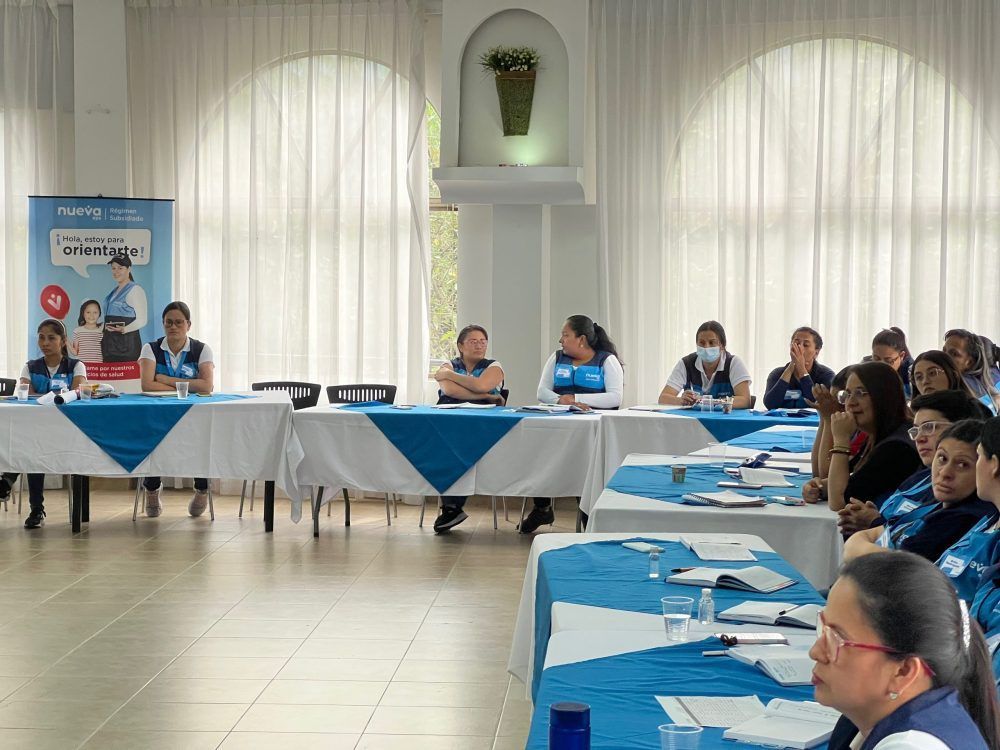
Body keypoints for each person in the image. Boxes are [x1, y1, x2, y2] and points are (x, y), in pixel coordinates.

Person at [813, 552, 1000, 750]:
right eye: (822, 629)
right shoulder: (875, 724)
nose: (815, 652)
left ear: (904, 672)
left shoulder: (910, 745)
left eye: (836, 639)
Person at [836, 391, 991, 537]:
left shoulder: (954, 491)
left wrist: (874, 523)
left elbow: (915, 546)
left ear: (960, 428)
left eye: (929, 427)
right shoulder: (920, 477)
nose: (919, 438)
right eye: (916, 430)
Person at [843, 420, 996, 563]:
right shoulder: (937, 502)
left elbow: (899, 565)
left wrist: (857, 544)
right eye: (942, 458)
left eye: (962, 465)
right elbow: (877, 533)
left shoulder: (965, 516)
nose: (945, 473)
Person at [526, 315, 623, 533]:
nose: (561, 340)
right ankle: (542, 507)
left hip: (591, 429)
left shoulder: (606, 360)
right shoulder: (557, 358)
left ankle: (589, 517)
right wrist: (561, 400)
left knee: (584, 465)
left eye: (565, 335)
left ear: (581, 339)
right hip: (557, 424)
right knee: (539, 457)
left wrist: (579, 399)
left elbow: (615, 397)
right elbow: (542, 391)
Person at [0, 319, 87, 529]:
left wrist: (46, 395)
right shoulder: (30, 366)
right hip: (37, 428)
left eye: (51, 338)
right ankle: (36, 510)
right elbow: (25, 396)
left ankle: (8, 480)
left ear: (63, 341)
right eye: (41, 337)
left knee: (32, 446)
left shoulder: (76, 365)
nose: (45, 342)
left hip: (68, 429)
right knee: (33, 446)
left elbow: (77, 394)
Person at [803, 362, 921, 512]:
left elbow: (838, 501)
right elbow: (853, 480)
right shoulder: (878, 433)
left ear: (884, 396)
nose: (850, 403)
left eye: (860, 393)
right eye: (847, 394)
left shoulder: (896, 447)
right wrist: (819, 487)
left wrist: (841, 440)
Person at [138, 301, 215, 518]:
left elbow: (206, 386)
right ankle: (152, 490)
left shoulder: (201, 349)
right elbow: (147, 385)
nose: (173, 326)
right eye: (168, 322)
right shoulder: (150, 349)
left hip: (194, 413)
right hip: (158, 413)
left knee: (200, 445)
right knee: (154, 444)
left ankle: (202, 489)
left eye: (178, 322)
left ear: (188, 324)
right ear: (163, 324)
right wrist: (185, 385)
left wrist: (165, 379)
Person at [432, 324, 506, 533]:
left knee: (461, 448)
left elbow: (482, 384)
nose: (479, 345)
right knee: (445, 450)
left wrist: (452, 377)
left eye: (483, 341)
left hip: (484, 424)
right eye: (473, 341)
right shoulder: (450, 363)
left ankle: (453, 507)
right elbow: (449, 390)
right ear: (460, 346)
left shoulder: (494, 365)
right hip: (450, 422)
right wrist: (483, 395)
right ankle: (451, 507)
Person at [658, 321, 752, 408]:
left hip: (726, 421)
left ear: (722, 345)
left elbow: (745, 400)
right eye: (702, 343)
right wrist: (681, 401)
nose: (706, 347)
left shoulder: (733, 363)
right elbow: (663, 398)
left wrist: (713, 402)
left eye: (712, 342)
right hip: (693, 422)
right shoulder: (686, 364)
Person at [763, 326, 835, 409]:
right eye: (796, 343)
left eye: (806, 345)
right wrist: (790, 369)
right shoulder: (777, 373)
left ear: (816, 352)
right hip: (782, 421)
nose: (799, 348)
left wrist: (801, 368)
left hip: (813, 421)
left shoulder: (826, 375)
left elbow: (817, 403)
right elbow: (770, 404)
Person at [809, 366, 858, 481]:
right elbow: (816, 472)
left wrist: (829, 419)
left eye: (840, 400)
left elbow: (826, 475)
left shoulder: (864, 434)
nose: (835, 407)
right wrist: (824, 417)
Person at [101, 254, 148, 363]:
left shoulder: (135, 290)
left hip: (126, 347)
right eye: (113, 268)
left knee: (126, 378)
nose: (116, 271)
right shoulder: (113, 292)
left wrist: (124, 329)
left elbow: (142, 319)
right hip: (110, 345)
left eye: (120, 268)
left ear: (129, 269)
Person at [944, 329, 1000, 415]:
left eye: (954, 354)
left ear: (969, 362)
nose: (944, 357)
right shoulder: (993, 375)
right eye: (944, 351)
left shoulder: (958, 386)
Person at [871, 327, 915, 399]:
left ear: (901, 356)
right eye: (876, 359)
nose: (881, 366)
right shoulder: (866, 367)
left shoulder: (911, 373)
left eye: (888, 361)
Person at [68, 299, 104, 363]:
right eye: (88, 312)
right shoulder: (77, 331)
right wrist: (65, 340)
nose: (91, 315)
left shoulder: (102, 329)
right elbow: (75, 352)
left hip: (98, 367)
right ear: (83, 313)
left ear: (99, 314)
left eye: (95, 312)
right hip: (82, 367)